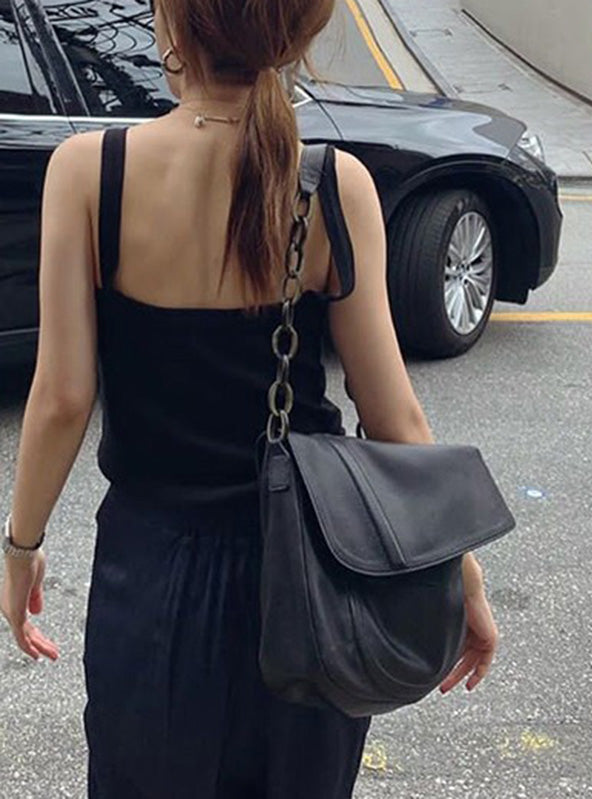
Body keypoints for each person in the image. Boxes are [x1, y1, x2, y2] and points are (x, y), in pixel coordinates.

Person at [0, 0, 499, 796]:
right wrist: (458, 570)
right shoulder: (336, 186)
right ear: (298, 33)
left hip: (152, 579)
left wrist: (20, 546)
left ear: (173, 22)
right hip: (314, 583)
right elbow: (393, 414)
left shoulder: (93, 172)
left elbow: (62, 396)